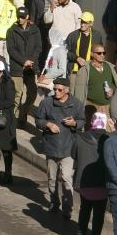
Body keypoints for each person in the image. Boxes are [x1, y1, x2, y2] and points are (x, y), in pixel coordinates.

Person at [34, 77, 86, 218]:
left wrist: (74, 123)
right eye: (55, 89)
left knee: (66, 178)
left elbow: (82, 121)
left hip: (68, 148)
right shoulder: (47, 103)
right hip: (51, 146)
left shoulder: (76, 104)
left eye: (60, 90)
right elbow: (38, 120)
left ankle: (67, 208)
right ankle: (54, 202)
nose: (56, 92)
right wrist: (48, 125)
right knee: (51, 177)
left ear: (67, 90)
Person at [73, 110, 109, 235]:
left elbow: (73, 154)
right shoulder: (109, 140)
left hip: (84, 181)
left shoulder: (80, 137)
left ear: (92, 121)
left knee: (84, 210)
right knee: (99, 215)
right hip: (102, 183)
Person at [6, 6, 41, 128]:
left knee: (32, 94)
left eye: (22, 17)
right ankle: (14, 121)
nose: (19, 19)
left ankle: (23, 115)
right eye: (18, 16)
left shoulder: (35, 30)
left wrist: (31, 61)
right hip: (17, 67)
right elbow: (11, 49)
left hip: (31, 67)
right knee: (17, 94)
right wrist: (23, 61)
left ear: (27, 17)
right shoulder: (11, 30)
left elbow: (38, 47)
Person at [72, 42, 115, 116]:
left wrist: (112, 90)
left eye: (104, 53)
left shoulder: (110, 67)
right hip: (91, 107)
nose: (102, 55)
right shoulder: (85, 69)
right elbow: (79, 91)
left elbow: (116, 83)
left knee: (107, 127)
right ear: (92, 54)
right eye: (99, 53)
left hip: (107, 108)